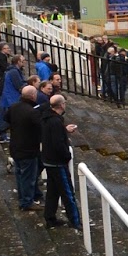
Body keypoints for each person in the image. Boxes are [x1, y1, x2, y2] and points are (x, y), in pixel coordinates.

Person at [40, 94, 81, 229]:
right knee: (67, 193)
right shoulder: (56, 121)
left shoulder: (47, 118)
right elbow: (58, 143)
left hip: (48, 161)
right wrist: (67, 155)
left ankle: (50, 218)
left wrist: (64, 130)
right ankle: (75, 221)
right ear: (61, 105)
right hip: (57, 163)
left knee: (53, 192)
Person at [7, 84, 44, 211]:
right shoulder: (32, 112)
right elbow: (40, 127)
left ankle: (23, 199)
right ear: (33, 96)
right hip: (28, 149)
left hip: (15, 146)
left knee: (19, 174)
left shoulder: (13, 107)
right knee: (28, 177)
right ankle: (27, 202)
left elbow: (7, 119)